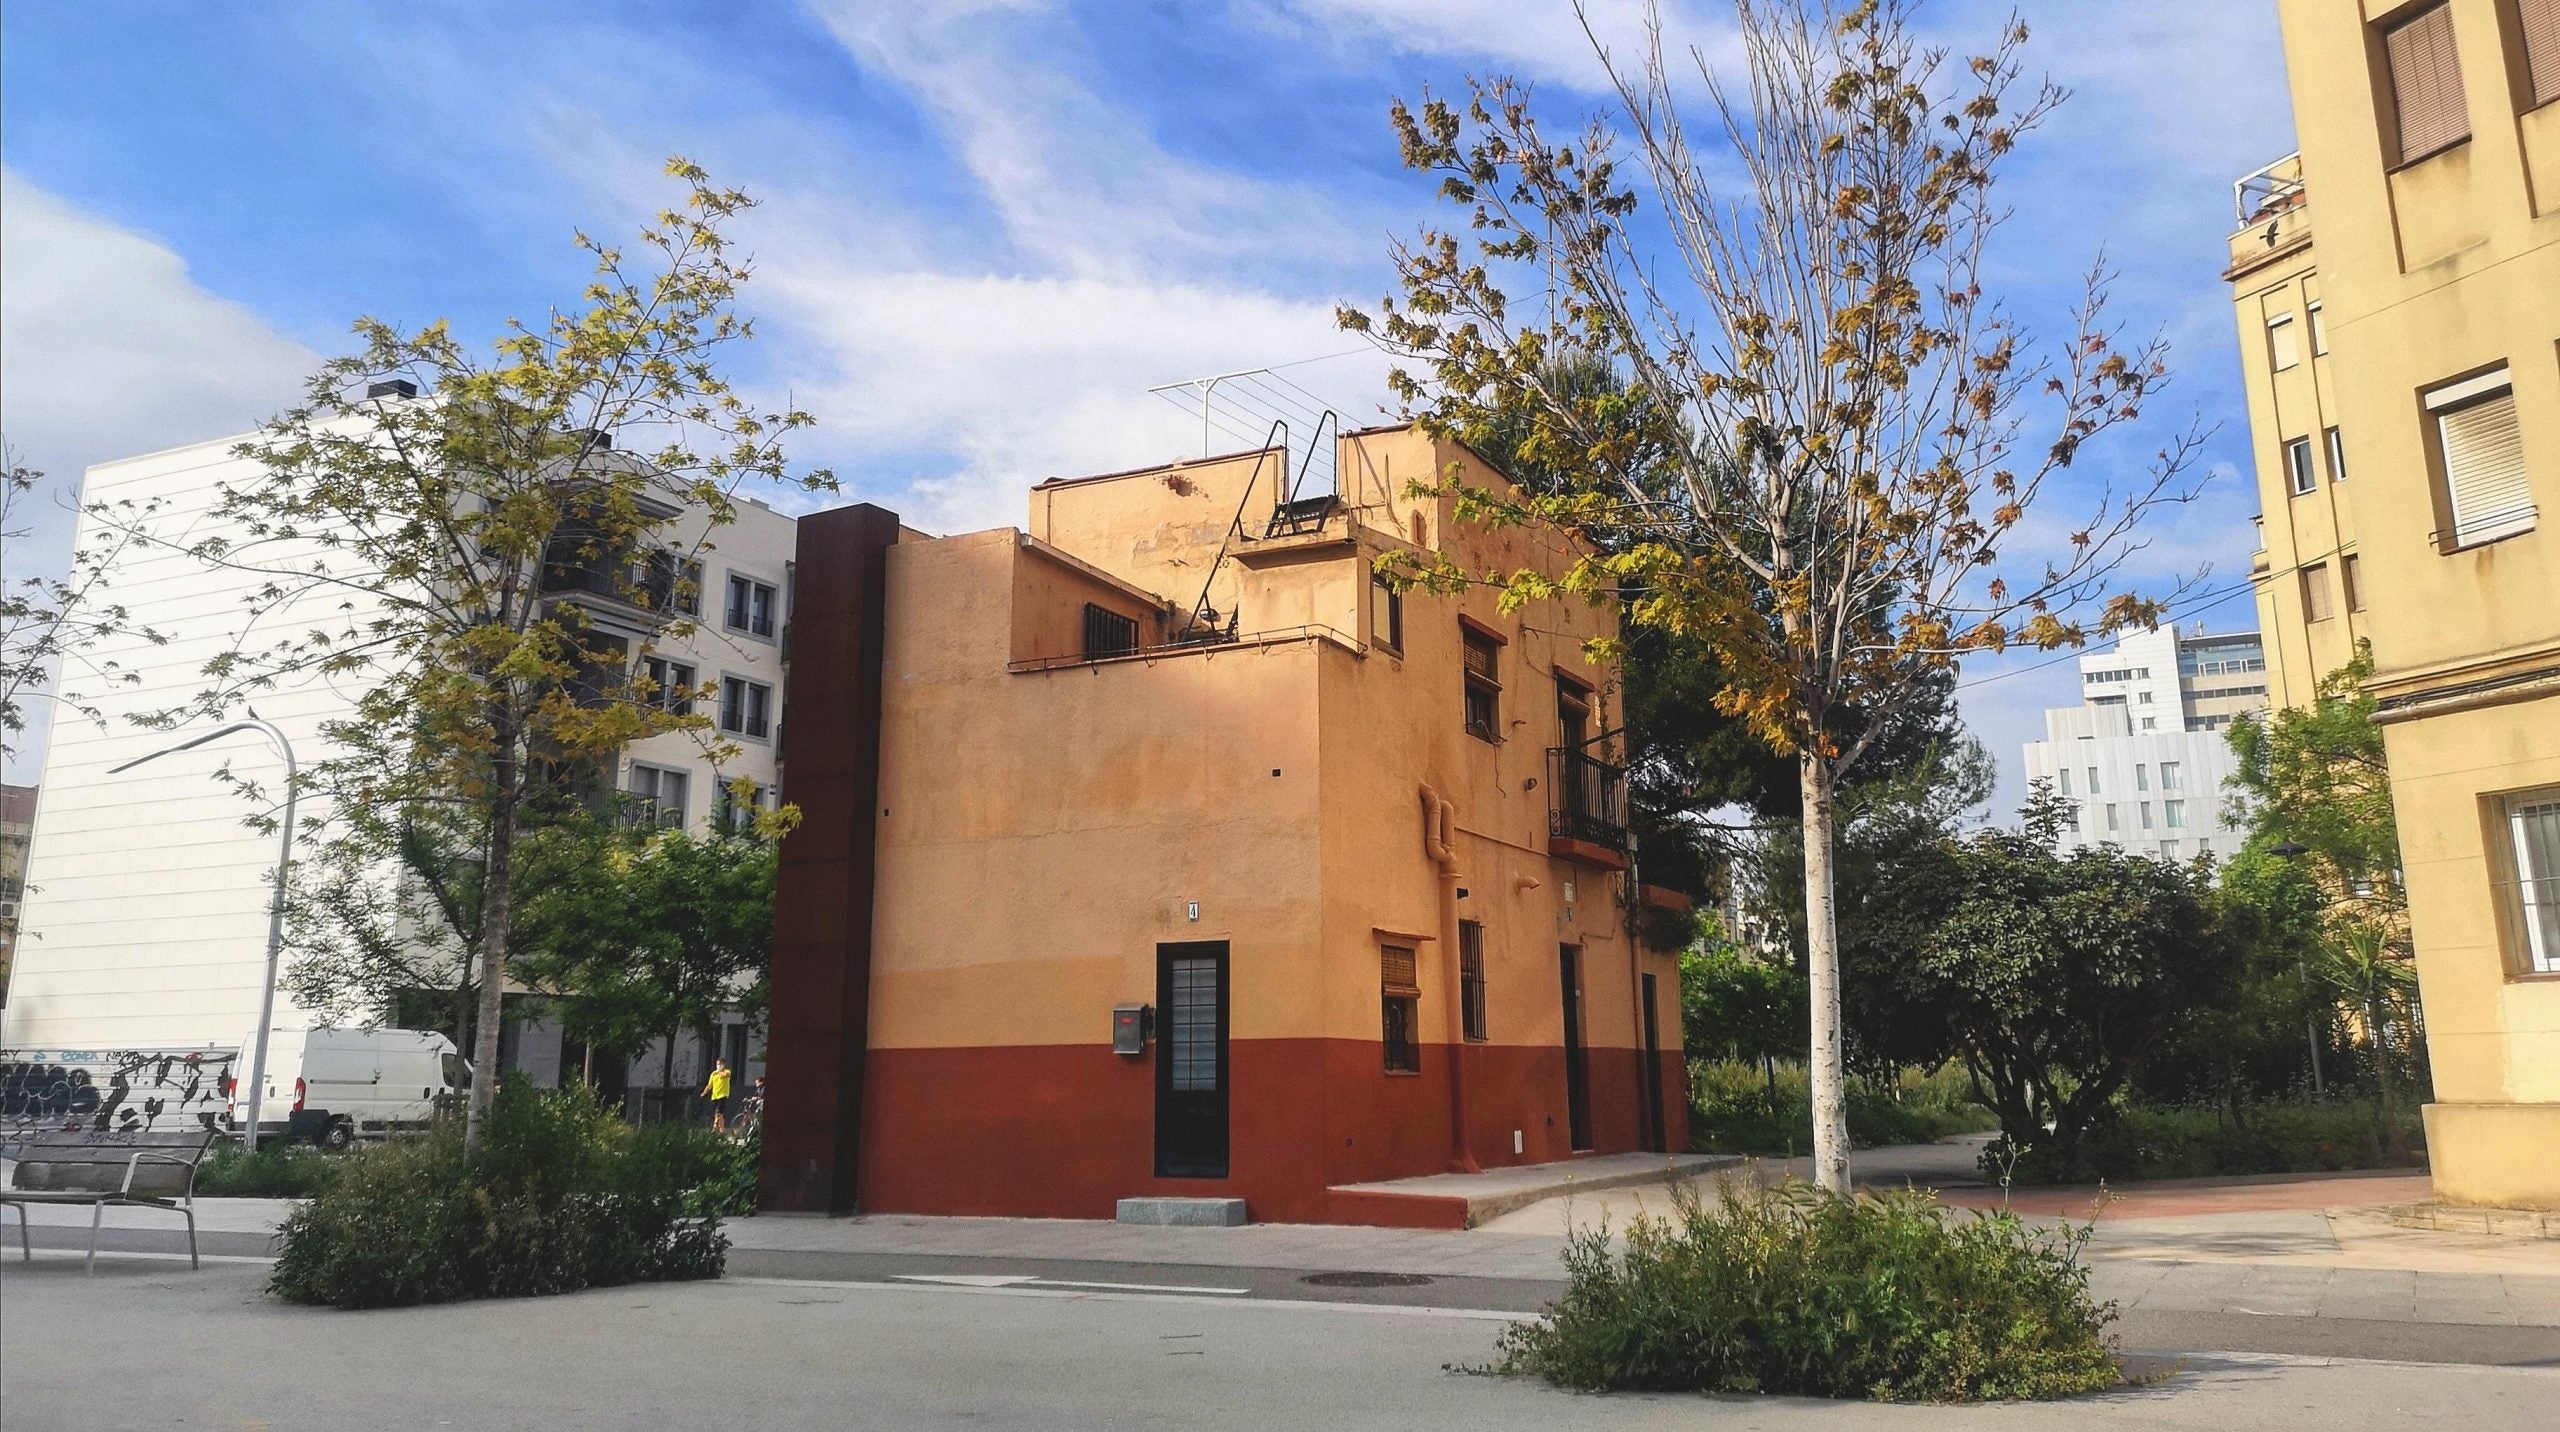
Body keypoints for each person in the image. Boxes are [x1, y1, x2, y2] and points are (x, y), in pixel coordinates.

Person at [701, 1057, 733, 1132]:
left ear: (724, 1065)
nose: (718, 1066)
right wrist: (704, 1093)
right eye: (717, 1064)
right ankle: (722, 1130)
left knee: (718, 1112)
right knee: (719, 1114)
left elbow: (725, 1075)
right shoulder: (713, 1074)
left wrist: (718, 1072)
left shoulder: (727, 1071)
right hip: (715, 1096)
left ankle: (714, 1127)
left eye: (720, 1064)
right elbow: (709, 1085)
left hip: (723, 1095)